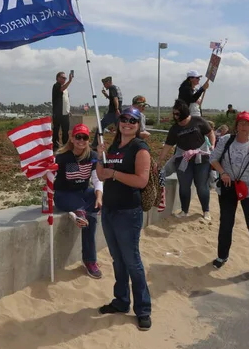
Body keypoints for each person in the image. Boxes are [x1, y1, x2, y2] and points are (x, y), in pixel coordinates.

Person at [96, 106, 152, 331]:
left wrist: (115, 174)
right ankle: (121, 301)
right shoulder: (113, 147)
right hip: (109, 210)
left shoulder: (140, 148)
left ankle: (143, 309)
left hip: (128, 213)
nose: (127, 123)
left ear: (139, 126)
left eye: (132, 121)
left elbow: (141, 181)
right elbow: (100, 175)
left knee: (132, 262)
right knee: (117, 260)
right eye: (124, 119)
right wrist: (99, 156)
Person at [210, 112, 249, 279]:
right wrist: (222, 172)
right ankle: (222, 256)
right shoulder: (226, 140)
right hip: (228, 187)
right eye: (241, 123)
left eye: (248, 124)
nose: (244, 127)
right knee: (226, 223)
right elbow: (213, 159)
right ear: (236, 125)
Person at [54, 123, 103, 279]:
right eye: (78, 137)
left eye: (85, 137)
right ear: (72, 138)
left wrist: (100, 197)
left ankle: (89, 259)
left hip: (82, 192)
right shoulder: (61, 157)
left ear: (88, 139)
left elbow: (96, 179)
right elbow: (50, 178)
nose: (81, 140)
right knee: (88, 214)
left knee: (93, 212)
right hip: (63, 194)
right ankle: (78, 212)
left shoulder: (93, 157)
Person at [157, 99, 215, 221]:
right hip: (183, 159)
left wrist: (212, 145)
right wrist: (159, 162)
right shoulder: (174, 129)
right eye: (174, 114)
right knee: (184, 185)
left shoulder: (198, 121)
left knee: (201, 186)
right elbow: (167, 146)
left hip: (201, 158)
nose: (175, 116)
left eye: (177, 114)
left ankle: (206, 211)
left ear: (184, 112)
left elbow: (210, 133)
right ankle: (184, 210)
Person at [91, 76, 123, 149]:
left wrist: (116, 109)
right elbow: (113, 98)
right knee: (119, 130)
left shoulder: (111, 88)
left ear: (108, 82)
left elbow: (115, 99)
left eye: (104, 83)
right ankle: (121, 145)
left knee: (100, 126)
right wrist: (105, 94)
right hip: (117, 112)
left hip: (113, 112)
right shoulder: (116, 88)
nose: (104, 85)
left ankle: (95, 144)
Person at [52, 70, 74, 151]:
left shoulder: (65, 89)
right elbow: (61, 89)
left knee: (66, 131)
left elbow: (66, 100)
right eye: (63, 78)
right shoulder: (56, 86)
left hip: (65, 113)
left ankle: (65, 146)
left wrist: (69, 110)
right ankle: (55, 146)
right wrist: (70, 81)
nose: (64, 79)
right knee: (56, 130)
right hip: (58, 113)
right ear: (58, 78)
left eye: (65, 78)